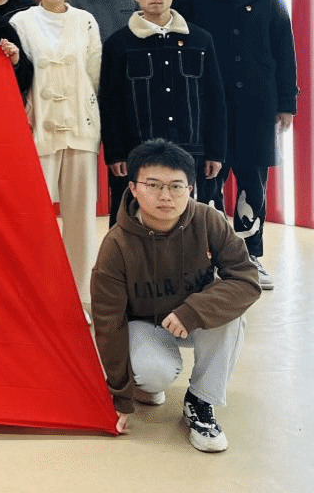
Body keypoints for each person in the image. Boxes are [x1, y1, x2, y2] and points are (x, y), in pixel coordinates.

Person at [91, 139, 261, 453]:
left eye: (176, 186)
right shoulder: (116, 245)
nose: (165, 196)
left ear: (190, 189)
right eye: (153, 185)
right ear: (133, 188)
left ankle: (201, 402)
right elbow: (108, 321)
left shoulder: (208, 221)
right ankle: (145, 383)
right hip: (145, 324)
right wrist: (119, 398)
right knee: (153, 375)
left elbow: (246, 279)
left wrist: (193, 311)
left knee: (232, 315)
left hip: (192, 319)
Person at [172, 0, 298, 290]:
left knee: (253, 182)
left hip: (257, 104)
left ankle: (249, 256)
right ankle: (209, 259)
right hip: (207, 105)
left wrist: (287, 102)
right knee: (208, 182)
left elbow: (284, 49)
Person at [99, 0, 227, 226]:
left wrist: (216, 151)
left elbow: (215, 99)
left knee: (192, 222)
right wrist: (116, 153)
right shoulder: (118, 44)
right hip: (136, 153)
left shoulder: (200, 40)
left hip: (191, 149)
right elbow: (110, 103)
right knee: (131, 221)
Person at [9, 0, 101, 309]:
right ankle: (35, 295)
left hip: (80, 127)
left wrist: (89, 114)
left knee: (81, 219)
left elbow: (94, 73)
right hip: (39, 130)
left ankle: (80, 297)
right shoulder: (20, 22)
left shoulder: (85, 21)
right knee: (34, 218)